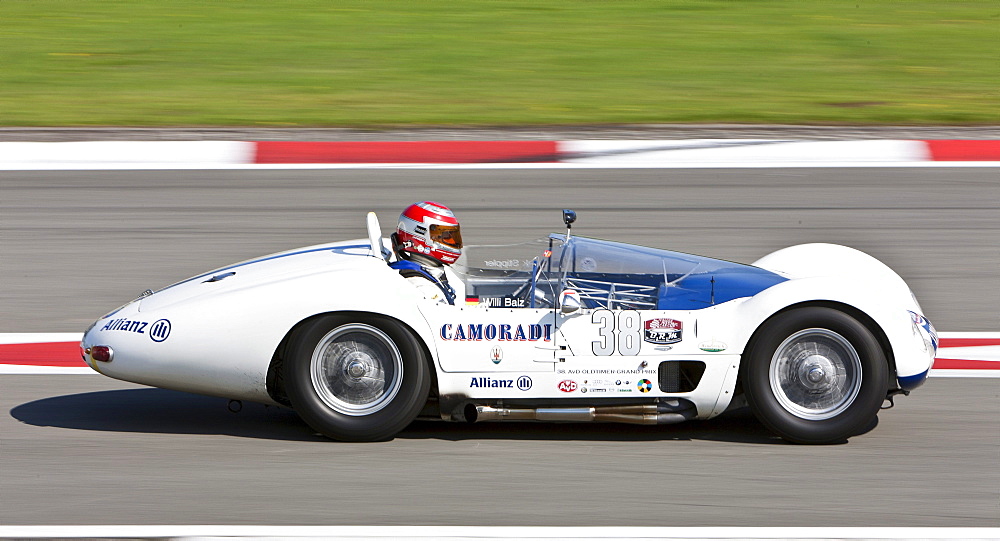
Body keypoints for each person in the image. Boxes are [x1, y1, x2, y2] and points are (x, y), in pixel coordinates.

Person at [390, 201, 462, 304]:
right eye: (445, 236)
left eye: (452, 235)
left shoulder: (435, 271)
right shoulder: (423, 288)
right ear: (421, 235)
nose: (452, 241)